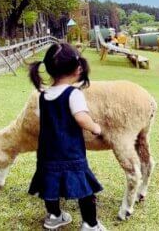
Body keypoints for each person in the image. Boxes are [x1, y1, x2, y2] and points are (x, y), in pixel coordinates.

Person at [27, 42, 106, 231]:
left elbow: (42, 116)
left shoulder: (43, 95)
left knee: (50, 185)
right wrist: (96, 128)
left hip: (47, 153)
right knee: (84, 189)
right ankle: (90, 224)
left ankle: (54, 216)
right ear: (78, 68)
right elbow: (81, 118)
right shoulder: (73, 94)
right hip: (70, 153)